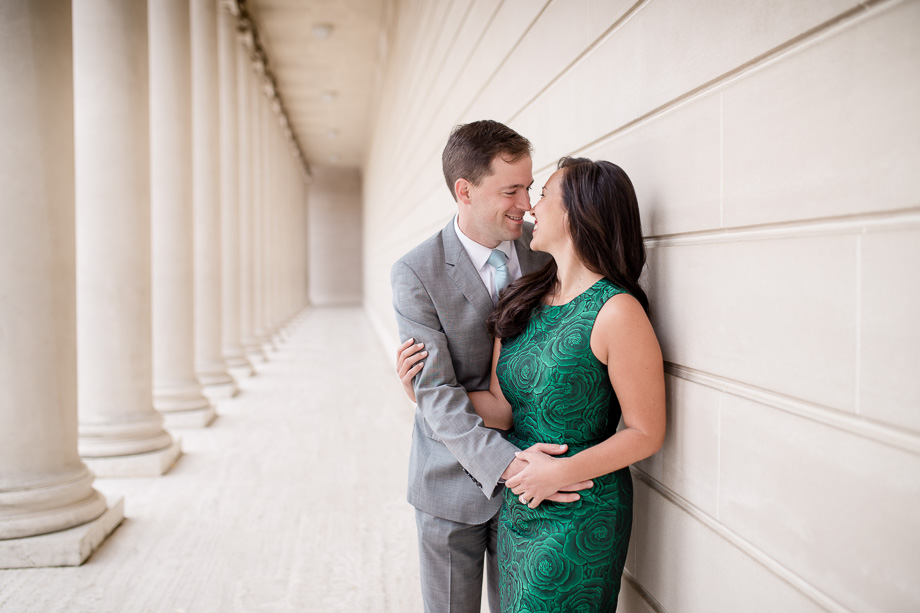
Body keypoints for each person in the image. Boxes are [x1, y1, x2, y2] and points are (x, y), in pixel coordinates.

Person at [398, 157, 666, 611]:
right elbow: (503, 408)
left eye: (542, 194)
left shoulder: (618, 311)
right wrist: (424, 393)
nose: (530, 207)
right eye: (521, 193)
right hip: (521, 508)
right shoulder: (526, 298)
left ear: (579, 213)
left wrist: (559, 471)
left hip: (580, 506)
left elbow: (647, 432)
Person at [391, 121, 593, 613]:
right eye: (511, 190)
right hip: (450, 486)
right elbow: (438, 394)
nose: (526, 203)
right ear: (465, 190)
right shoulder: (416, 272)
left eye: (528, 186)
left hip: (538, 490)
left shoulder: (545, 248)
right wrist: (508, 465)